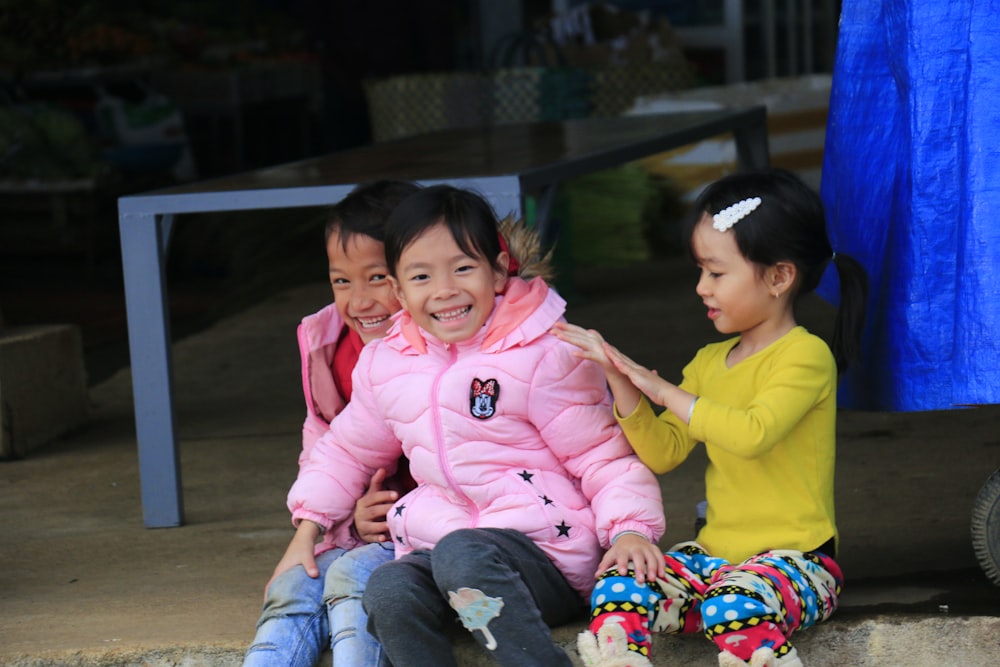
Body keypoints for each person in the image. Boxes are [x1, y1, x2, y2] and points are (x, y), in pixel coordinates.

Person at [286, 184, 667, 667]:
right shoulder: (388, 364)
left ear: (500, 268)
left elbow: (601, 455)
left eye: (463, 268)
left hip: (546, 559)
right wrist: (309, 524)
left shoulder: (543, 354)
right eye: (421, 276)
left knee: (462, 553)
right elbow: (346, 449)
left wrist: (629, 530)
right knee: (389, 586)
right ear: (401, 291)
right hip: (451, 559)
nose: (445, 290)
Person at [552, 169, 869, 667]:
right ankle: (621, 659)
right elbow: (663, 451)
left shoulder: (804, 357)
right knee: (619, 585)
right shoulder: (708, 361)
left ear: (779, 277)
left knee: (730, 606)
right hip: (716, 561)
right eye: (700, 271)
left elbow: (751, 434)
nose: (702, 287)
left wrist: (660, 388)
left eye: (717, 273)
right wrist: (618, 377)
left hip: (799, 564)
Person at [243, 179, 421, 667]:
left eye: (378, 277)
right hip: (363, 528)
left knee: (352, 584)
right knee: (294, 584)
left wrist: (392, 519)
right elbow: (329, 450)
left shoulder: (447, 353)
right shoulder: (333, 348)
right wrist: (329, 525)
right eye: (342, 280)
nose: (358, 301)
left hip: (435, 536)